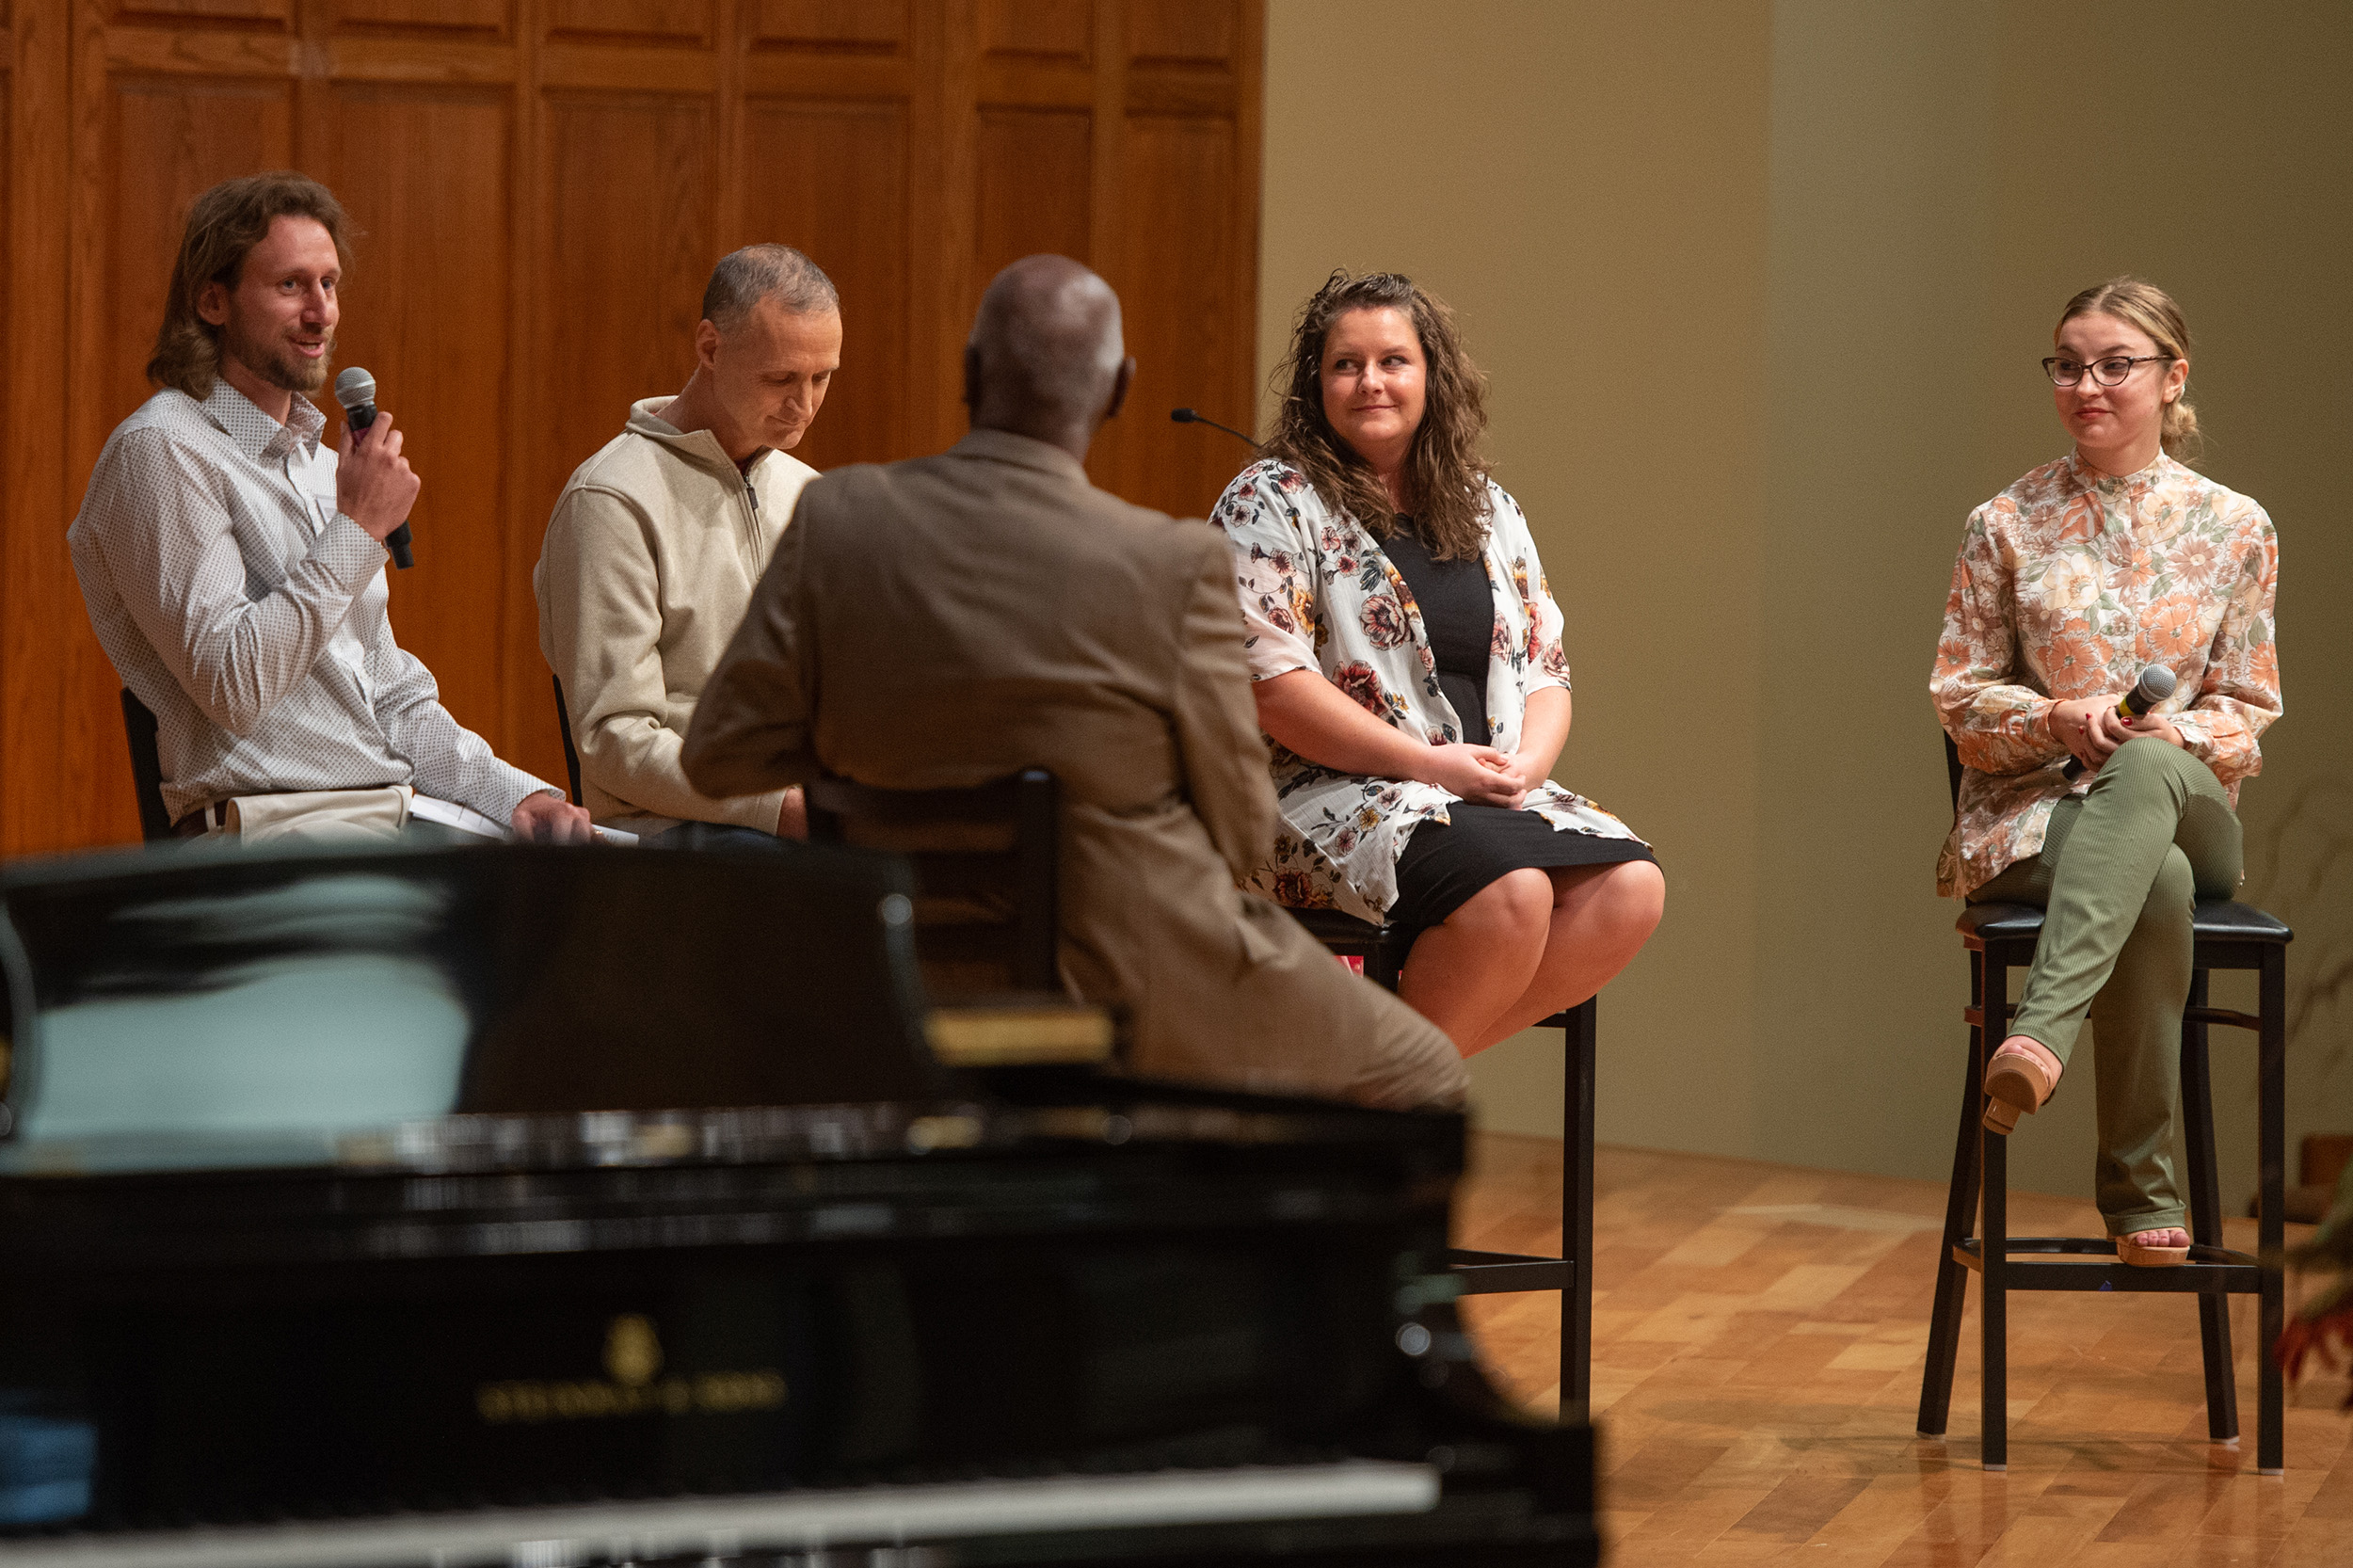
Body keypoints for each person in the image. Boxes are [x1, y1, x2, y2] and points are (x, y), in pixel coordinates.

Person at [680, 255, 1465, 1111]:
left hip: (899, 974)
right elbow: (1241, 828)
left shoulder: (838, 519)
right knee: (1424, 1076)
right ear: (1119, 390)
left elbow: (719, 758)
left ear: (972, 375)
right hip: (1127, 985)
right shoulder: (1172, 567)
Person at [1208, 271, 1664, 1057]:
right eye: (1346, 364)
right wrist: (1431, 765)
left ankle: (1373, 1096)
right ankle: (1391, 1113)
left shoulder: (1488, 507)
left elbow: (1546, 672)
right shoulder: (1270, 500)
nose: (1371, 381)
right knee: (1511, 897)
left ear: (1432, 377)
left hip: (1474, 796)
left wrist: (1524, 767)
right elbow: (1270, 687)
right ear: (1316, 385)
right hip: (1322, 794)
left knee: (1631, 890)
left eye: (1394, 361)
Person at [69, 171, 589, 847]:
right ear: (213, 301)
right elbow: (233, 684)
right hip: (269, 832)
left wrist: (517, 795)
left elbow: (392, 697)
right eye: (290, 286)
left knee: (584, 888)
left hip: (382, 818)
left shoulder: (321, 468)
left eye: (330, 284)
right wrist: (356, 530)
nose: (322, 313)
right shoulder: (164, 451)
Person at [1931, 277, 2281, 1268]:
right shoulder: (2005, 522)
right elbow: (1959, 700)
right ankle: (2140, 1195)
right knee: (2150, 881)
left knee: (2151, 784)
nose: (2086, 384)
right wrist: (2058, 715)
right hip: (2036, 821)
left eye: (2114, 365)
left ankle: (2039, 1033)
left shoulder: (2235, 527)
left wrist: (2171, 742)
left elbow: (2248, 711)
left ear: (2172, 379)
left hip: (2190, 808)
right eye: (2068, 365)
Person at [536, 245, 841, 848]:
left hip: (799, 813)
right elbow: (614, 739)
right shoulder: (611, 500)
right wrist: (780, 809)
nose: (803, 405)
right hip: (680, 832)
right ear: (709, 349)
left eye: (822, 377)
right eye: (780, 378)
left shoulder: (811, 495)